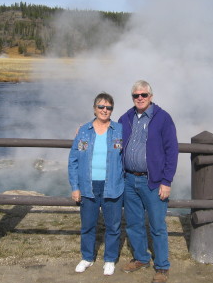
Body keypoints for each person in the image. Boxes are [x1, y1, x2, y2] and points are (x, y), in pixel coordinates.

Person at [119, 80, 178, 283]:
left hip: (152, 181)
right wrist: (85, 130)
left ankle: (162, 267)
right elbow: (112, 137)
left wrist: (166, 181)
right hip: (128, 180)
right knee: (134, 223)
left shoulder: (163, 118)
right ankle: (141, 259)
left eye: (144, 95)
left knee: (157, 226)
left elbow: (172, 151)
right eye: (136, 95)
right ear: (133, 97)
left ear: (151, 97)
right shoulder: (125, 117)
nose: (140, 98)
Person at [68, 92, 124, 276]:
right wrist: (75, 187)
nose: (104, 110)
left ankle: (109, 259)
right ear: (94, 109)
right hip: (88, 186)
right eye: (101, 106)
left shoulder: (120, 130)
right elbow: (73, 160)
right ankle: (87, 257)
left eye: (108, 107)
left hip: (113, 186)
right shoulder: (84, 131)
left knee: (113, 226)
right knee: (88, 225)